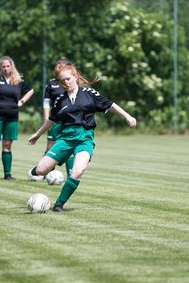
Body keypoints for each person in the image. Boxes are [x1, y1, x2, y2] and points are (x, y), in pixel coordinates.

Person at [28, 63, 137, 212]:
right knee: (40, 171)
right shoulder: (60, 99)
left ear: (76, 77)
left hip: (85, 138)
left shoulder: (89, 94)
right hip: (66, 138)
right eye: (62, 81)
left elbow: (110, 104)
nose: (65, 82)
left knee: (77, 171)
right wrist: (38, 134)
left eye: (68, 79)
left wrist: (128, 116)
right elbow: (52, 120)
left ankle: (59, 204)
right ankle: (44, 167)